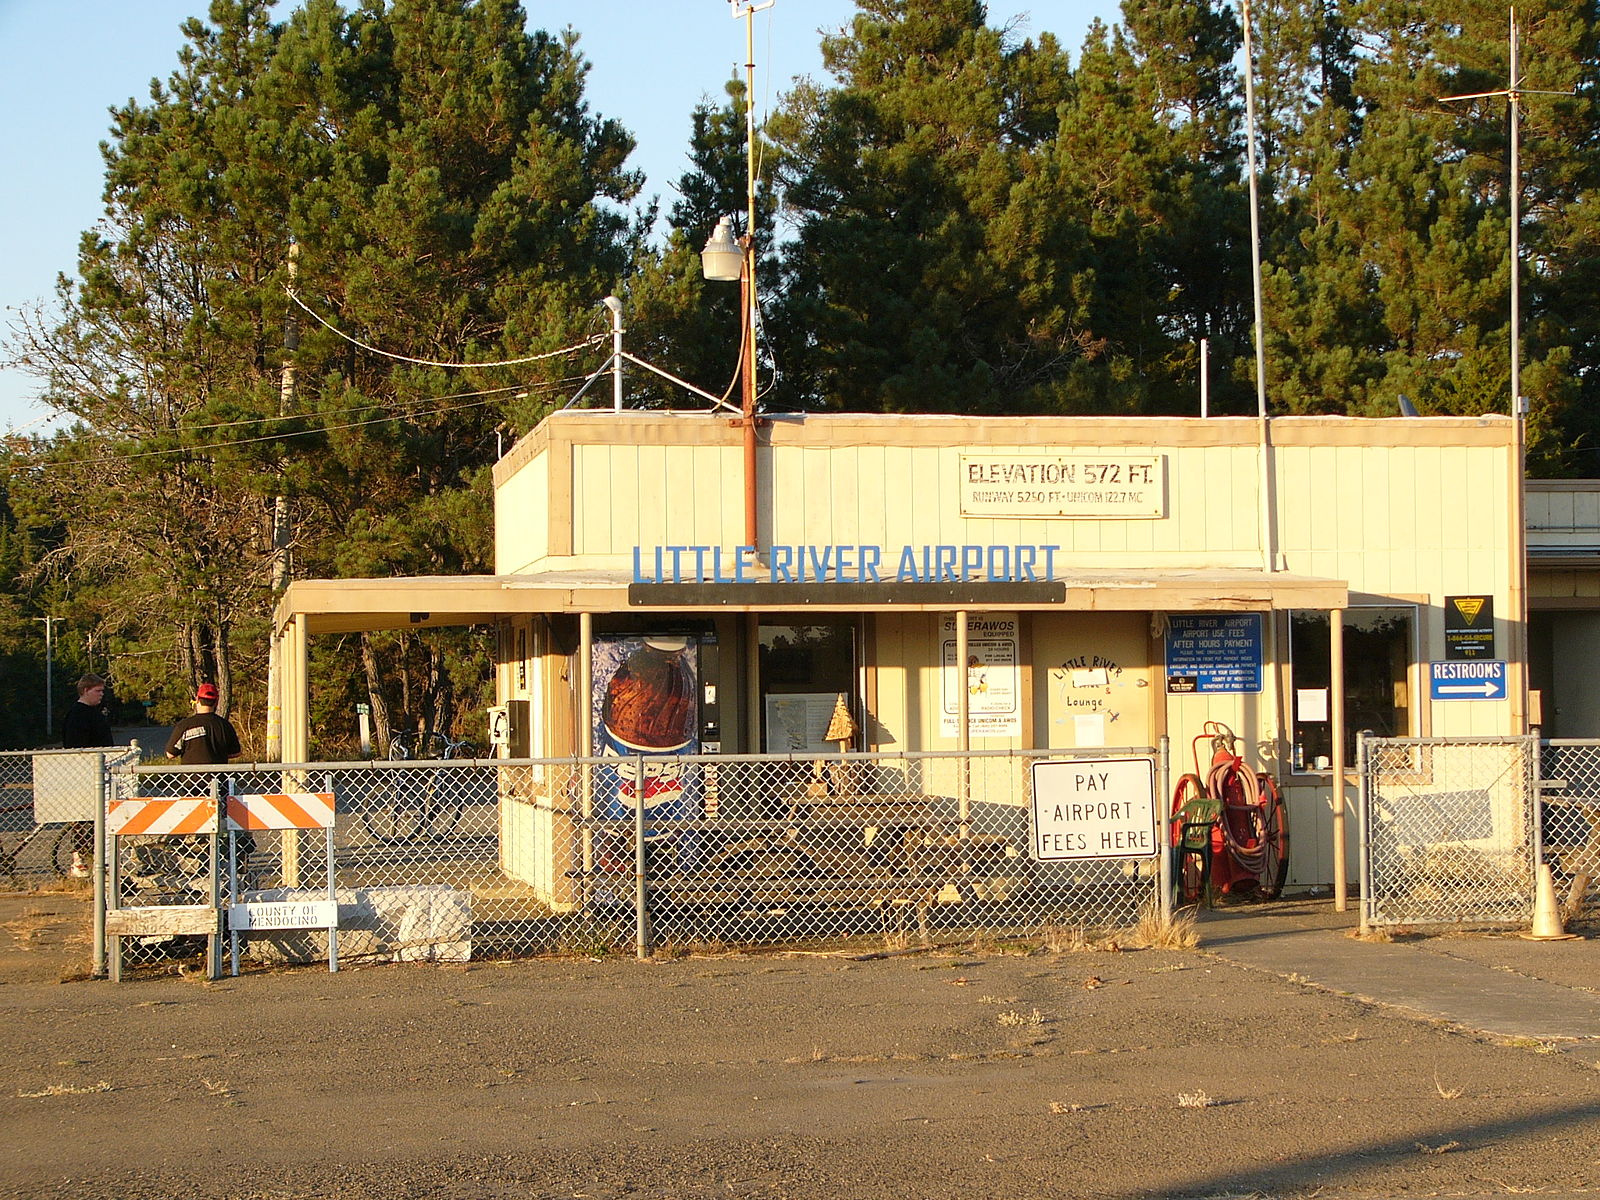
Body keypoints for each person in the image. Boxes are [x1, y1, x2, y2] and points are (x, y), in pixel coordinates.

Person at [60, 674, 114, 877]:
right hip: (86, 773)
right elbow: (75, 746)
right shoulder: (78, 714)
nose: (101, 695)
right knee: (84, 819)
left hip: (102, 771)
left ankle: (99, 860)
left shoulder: (94, 713)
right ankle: (81, 859)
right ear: (85, 691)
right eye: (97, 691)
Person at [165, 683, 242, 764]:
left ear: (197, 699)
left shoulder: (184, 725)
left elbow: (170, 754)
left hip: (192, 775)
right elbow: (236, 753)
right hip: (218, 775)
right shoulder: (225, 725)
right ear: (216, 702)